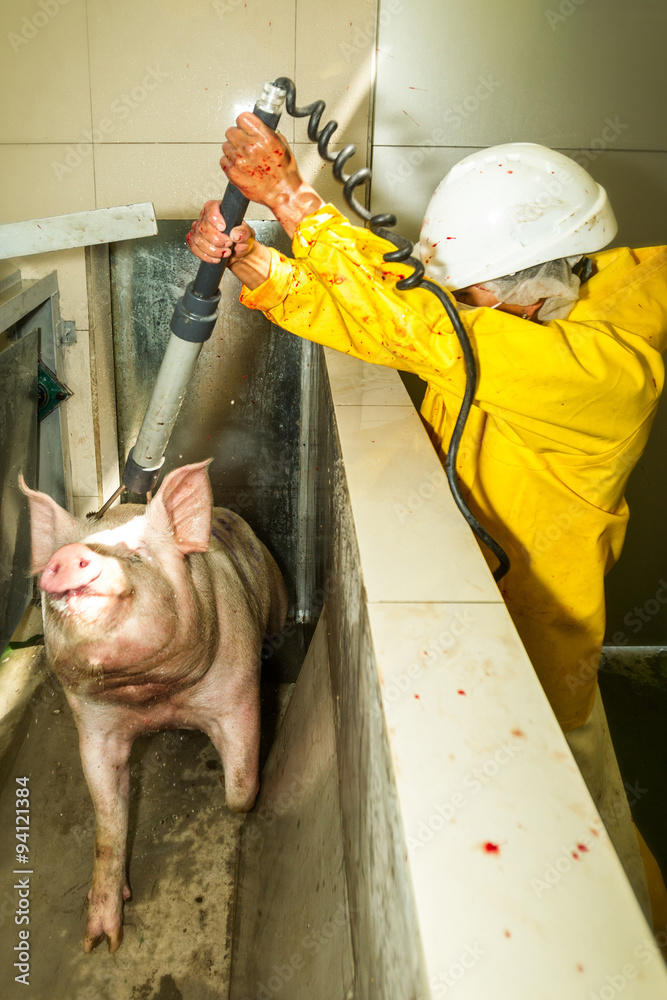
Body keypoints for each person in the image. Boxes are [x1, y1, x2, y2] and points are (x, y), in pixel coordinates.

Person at [187, 112, 667, 935]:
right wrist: (263, 256)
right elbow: (415, 293)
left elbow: (428, 330)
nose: (462, 297)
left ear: (536, 284)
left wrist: (293, 203)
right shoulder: (554, 296)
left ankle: (633, 942)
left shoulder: (600, 372)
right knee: (570, 795)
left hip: (540, 634)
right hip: (494, 601)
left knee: (570, 807)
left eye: (475, 290)